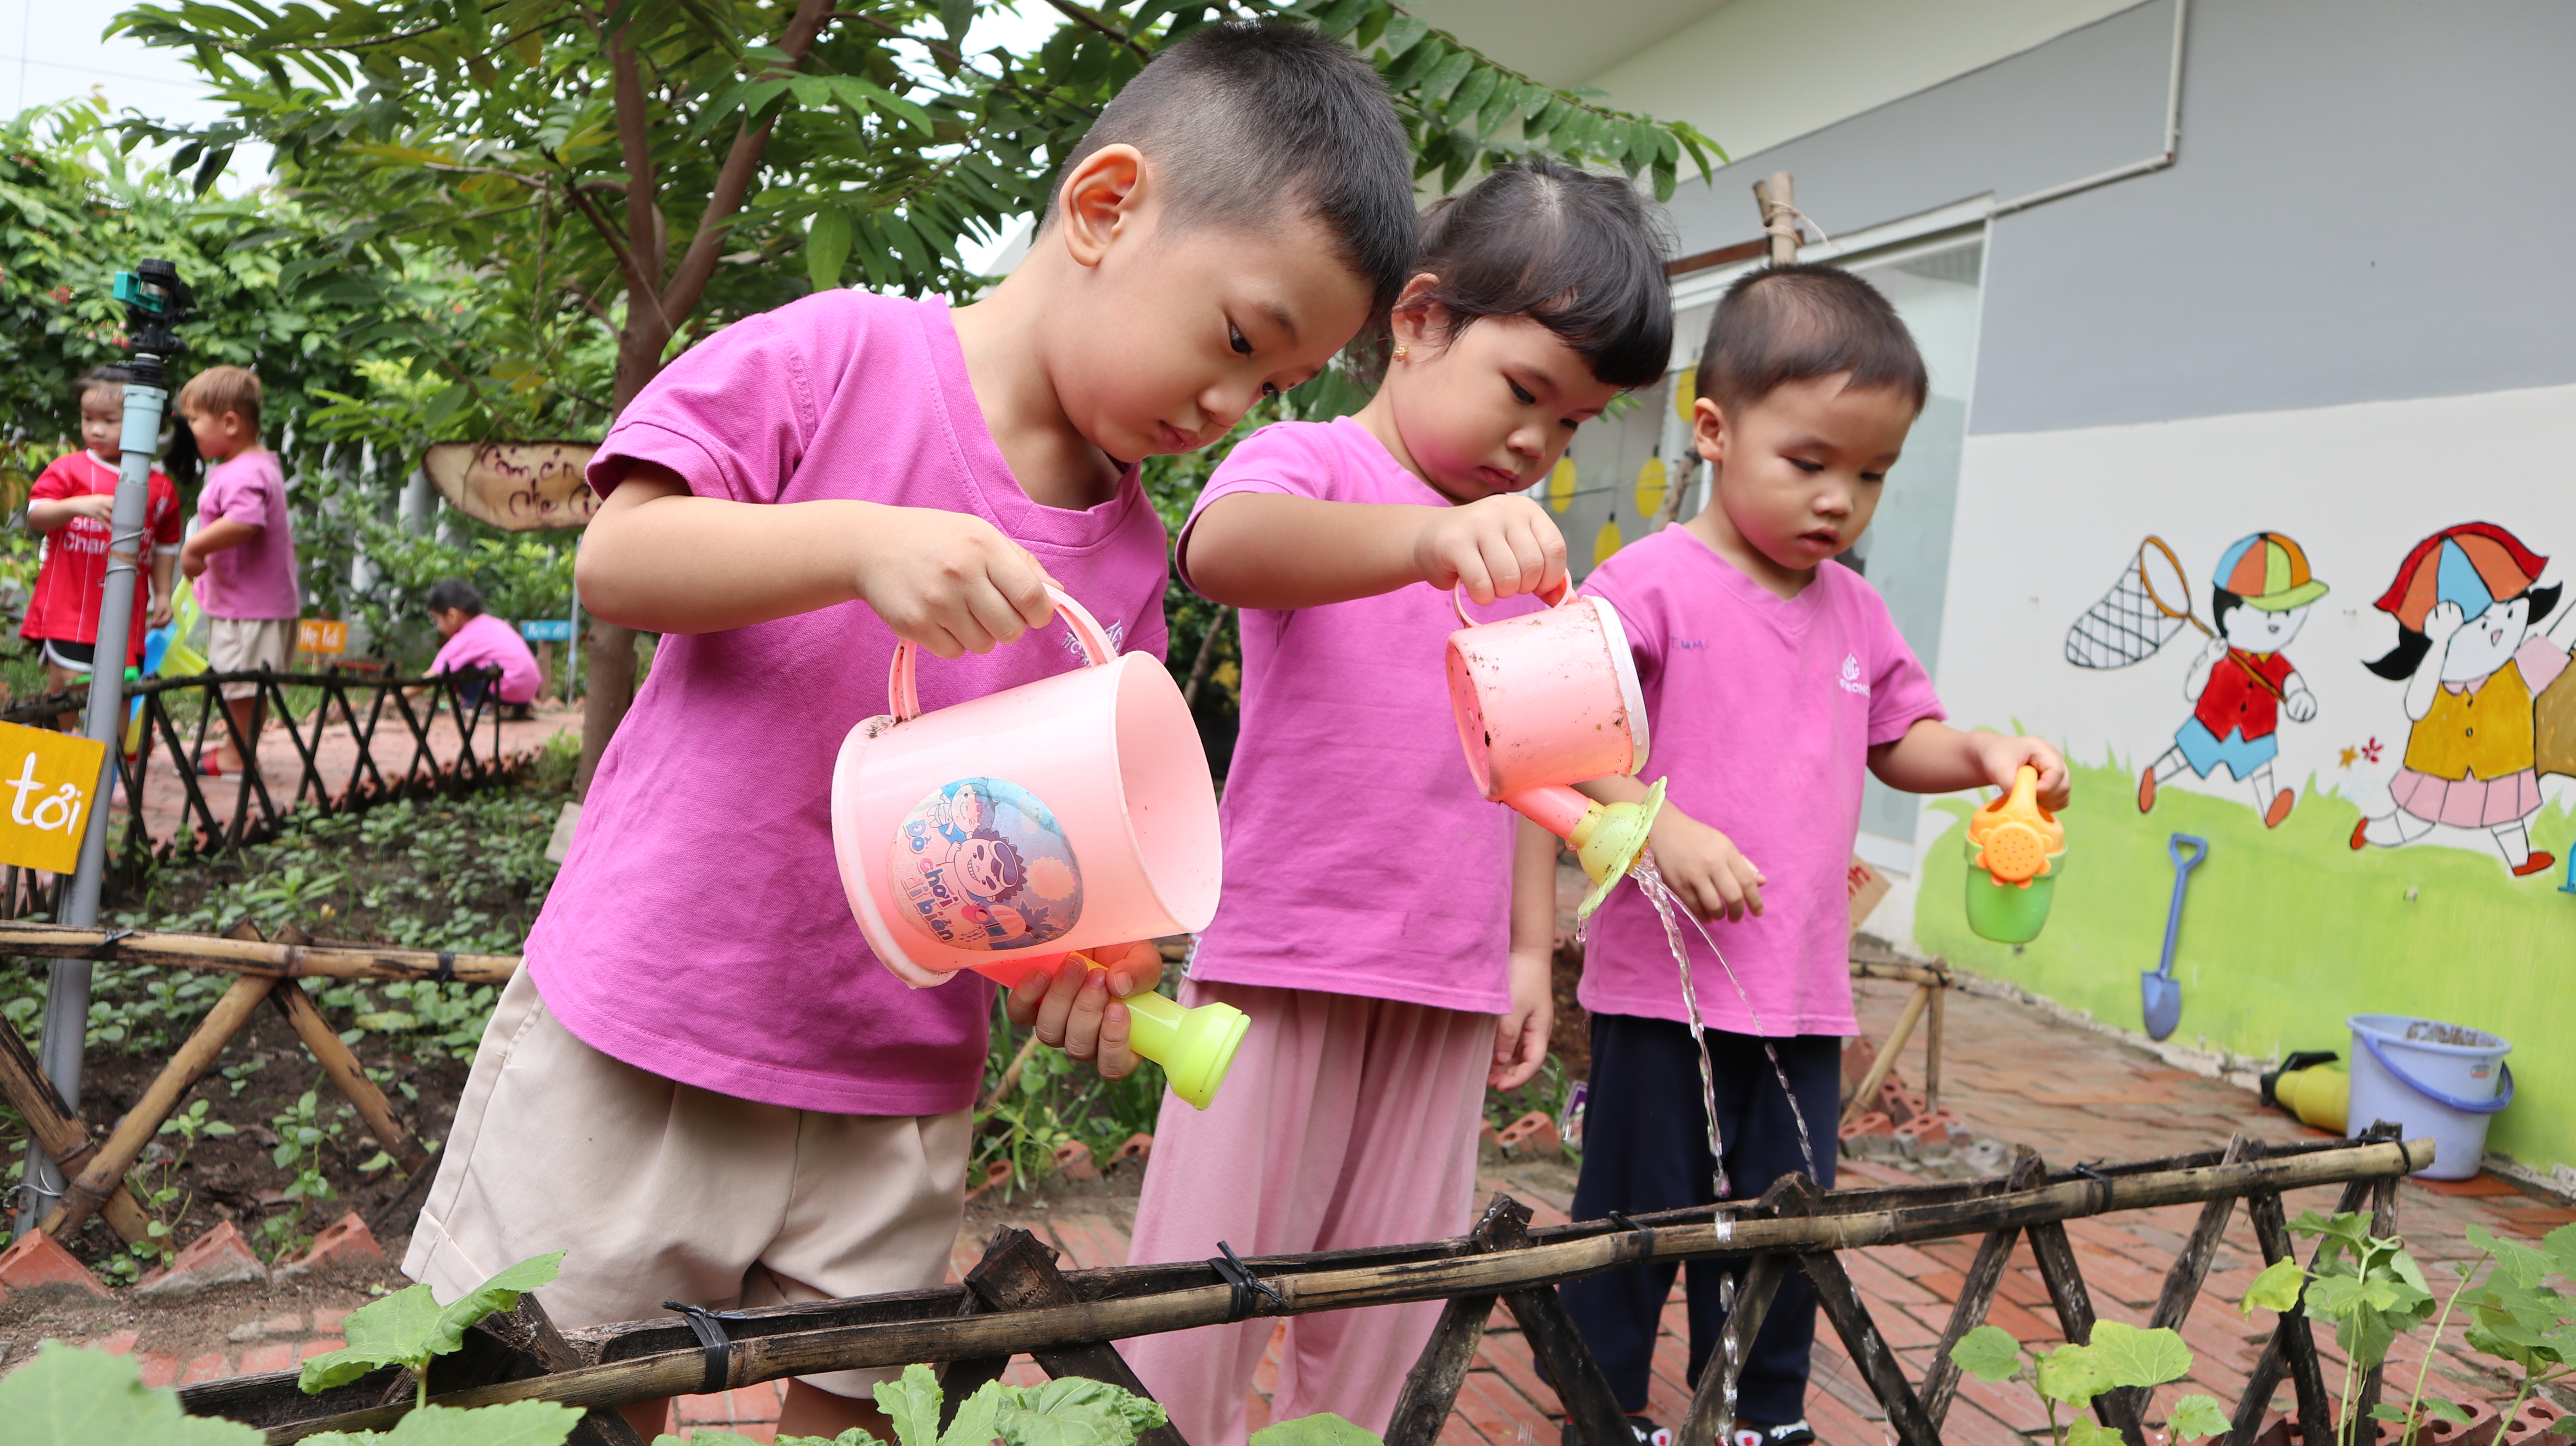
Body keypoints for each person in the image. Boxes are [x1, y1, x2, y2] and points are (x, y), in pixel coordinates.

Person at [399, 23, 1417, 1443]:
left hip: (896, 1076)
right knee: (565, 1405)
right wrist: (859, 543)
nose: (1230, 407)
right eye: (1239, 340)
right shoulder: (836, 354)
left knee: (851, 1410)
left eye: (1273, 385)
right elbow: (619, 560)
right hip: (657, 1027)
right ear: (1107, 207)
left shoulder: (1123, 553)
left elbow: (1052, 826)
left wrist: (1088, 963)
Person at [1121, 156, 1674, 1446]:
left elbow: (1533, 759)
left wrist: (1528, 949)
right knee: (1191, 1302)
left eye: (1573, 422)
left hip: (1440, 981)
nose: (1536, 442)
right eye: (1523, 392)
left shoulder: (1513, 540)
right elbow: (1224, 548)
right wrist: (1427, 541)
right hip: (1282, 963)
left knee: (1386, 1315)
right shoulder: (1310, 461)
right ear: (1418, 321)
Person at [1559, 264, 2069, 1446]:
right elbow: (1564, 731)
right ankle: (1605, 1399)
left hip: (1796, 994)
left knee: (1790, 1218)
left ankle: (1760, 1409)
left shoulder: (1855, 611)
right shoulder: (1646, 583)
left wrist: (1990, 752)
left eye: (1874, 474)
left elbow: (1907, 739)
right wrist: (1657, 823)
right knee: (1639, 1209)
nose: (1841, 499)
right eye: (1810, 463)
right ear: (1713, 429)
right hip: (1662, 987)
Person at [21, 367, 182, 719]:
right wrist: (77, 505)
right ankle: (59, 763)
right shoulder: (69, 470)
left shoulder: (161, 488)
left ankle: (109, 772)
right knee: (68, 685)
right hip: (70, 607)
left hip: (129, 614)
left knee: (121, 692)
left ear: (148, 424)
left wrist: (165, 595)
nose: (95, 429)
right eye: (87, 418)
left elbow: (166, 545)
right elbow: (37, 513)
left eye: (110, 420)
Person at [2136, 532, 2327, 828]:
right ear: (2231, 616)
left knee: (2261, 767)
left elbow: (2292, 683)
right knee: (2185, 754)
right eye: (2275, 616)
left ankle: (2269, 808)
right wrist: (2207, 660)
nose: (2285, 624)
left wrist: (2300, 697)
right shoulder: (2221, 655)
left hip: (2255, 730)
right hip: (2212, 723)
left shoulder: (2273, 662)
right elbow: (2191, 690)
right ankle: (2154, 777)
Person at [176, 366, 298, 776]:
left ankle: (237, 755)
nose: (189, 429)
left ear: (230, 422)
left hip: (250, 606)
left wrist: (194, 546)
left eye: (194, 420)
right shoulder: (246, 466)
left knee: (242, 683)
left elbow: (246, 522)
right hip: (248, 602)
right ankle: (238, 748)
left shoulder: (246, 471)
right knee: (241, 684)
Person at [423, 578, 544, 714]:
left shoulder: (466, 637)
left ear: (452, 616)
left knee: (455, 668)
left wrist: (398, 696)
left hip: (503, 692)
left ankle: (483, 706)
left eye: (437, 619)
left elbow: (434, 675)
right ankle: (517, 707)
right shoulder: (495, 625)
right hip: (526, 694)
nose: (438, 627)